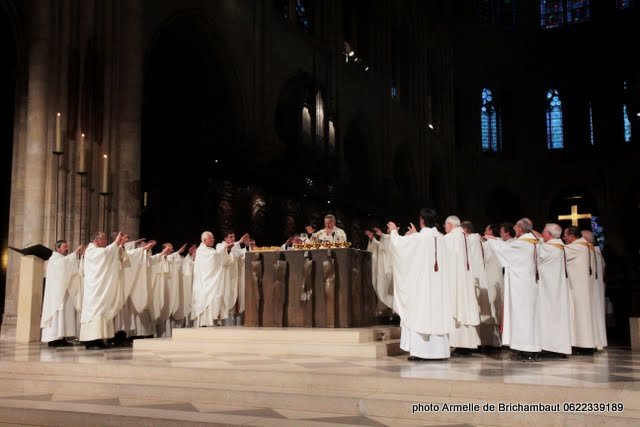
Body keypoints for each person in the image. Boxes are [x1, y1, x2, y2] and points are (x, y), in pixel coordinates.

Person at [388, 208, 451, 361]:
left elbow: (400, 245)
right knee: (436, 312)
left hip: (422, 285)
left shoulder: (421, 238)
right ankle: (439, 352)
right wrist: (416, 233)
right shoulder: (441, 237)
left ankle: (421, 352)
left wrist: (393, 231)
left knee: (420, 312)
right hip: (438, 286)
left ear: (422, 220)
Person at [485, 218, 541, 360]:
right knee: (529, 316)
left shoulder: (522, 244)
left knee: (522, 316)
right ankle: (529, 348)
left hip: (521, 287)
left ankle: (526, 349)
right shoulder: (534, 242)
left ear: (521, 229)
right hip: (528, 285)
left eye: (516, 227)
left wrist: (491, 241)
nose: (514, 229)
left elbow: (505, 251)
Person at [80, 231, 126, 350]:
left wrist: (119, 245)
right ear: (97, 240)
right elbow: (104, 253)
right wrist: (116, 242)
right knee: (94, 312)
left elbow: (109, 256)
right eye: (104, 239)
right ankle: (90, 341)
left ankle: (99, 339)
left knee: (102, 311)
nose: (106, 242)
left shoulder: (98, 250)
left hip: (99, 288)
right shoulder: (91, 251)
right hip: (94, 290)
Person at [444, 216, 480, 355]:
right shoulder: (462, 236)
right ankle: (466, 345)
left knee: (457, 307)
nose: (444, 228)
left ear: (450, 225)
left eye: (445, 225)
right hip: (463, 279)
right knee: (464, 307)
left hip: (455, 280)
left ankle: (459, 344)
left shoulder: (451, 237)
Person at [462, 221, 500, 349]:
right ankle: (487, 341)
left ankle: (484, 342)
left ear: (465, 230)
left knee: (480, 308)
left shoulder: (471, 239)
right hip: (481, 275)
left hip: (475, 276)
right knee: (485, 308)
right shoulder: (479, 239)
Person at [536, 223, 571, 356]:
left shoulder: (549, 248)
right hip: (556, 288)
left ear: (549, 234)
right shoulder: (560, 245)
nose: (542, 233)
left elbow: (534, 254)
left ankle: (550, 347)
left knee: (548, 316)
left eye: (543, 232)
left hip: (549, 290)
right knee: (557, 317)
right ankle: (558, 347)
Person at [41, 240, 83, 347]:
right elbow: (63, 266)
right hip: (56, 295)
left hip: (63, 292)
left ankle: (62, 337)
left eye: (67, 247)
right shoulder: (54, 259)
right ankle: (53, 339)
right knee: (57, 316)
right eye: (65, 247)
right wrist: (75, 253)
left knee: (64, 315)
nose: (67, 249)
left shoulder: (63, 259)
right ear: (58, 248)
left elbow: (69, 266)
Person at [563, 226, 598, 354]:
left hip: (578, 289)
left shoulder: (577, 246)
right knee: (583, 315)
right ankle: (585, 345)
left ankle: (584, 346)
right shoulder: (587, 246)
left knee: (580, 315)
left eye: (565, 235)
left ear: (572, 236)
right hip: (583, 288)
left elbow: (560, 251)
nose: (563, 238)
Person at [192, 231, 231, 326]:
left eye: (213, 238)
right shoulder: (201, 250)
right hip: (204, 282)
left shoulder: (210, 250)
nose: (213, 240)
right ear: (204, 240)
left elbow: (219, 258)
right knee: (208, 298)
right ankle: (205, 322)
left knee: (216, 297)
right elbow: (214, 258)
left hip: (211, 281)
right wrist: (223, 248)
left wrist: (226, 250)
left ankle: (214, 320)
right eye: (211, 238)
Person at [582, 230, 607, 351]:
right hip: (596, 286)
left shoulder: (587, 251)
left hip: (592, 287)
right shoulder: (596, 251)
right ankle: (598, 340)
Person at [365, 227, 394, 313]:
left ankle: (393, 309)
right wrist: (372, 238)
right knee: (382, 287)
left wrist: (382, 236)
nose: (388, 229)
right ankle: (384, 307)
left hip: (391, 269)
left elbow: (388, 243)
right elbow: (379, 245)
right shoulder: (386, 239)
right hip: (384, 268)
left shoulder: (395, 239)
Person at [482, 224, 504, 335]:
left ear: (490, 231)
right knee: (497, 303)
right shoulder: (501, 242)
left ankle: (493, 336)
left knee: (491, 303)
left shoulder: (487, 244)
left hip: (491, 276)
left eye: (486, 229)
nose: (484, 231)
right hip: (498, 276)